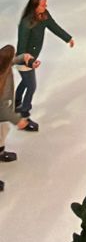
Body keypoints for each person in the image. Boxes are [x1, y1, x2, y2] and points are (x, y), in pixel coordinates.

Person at [15, 0, 75, 127]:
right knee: (31, 86)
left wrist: (68, 38)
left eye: (45, 3)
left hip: (32, 58)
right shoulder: (26, 23)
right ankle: (24, 114)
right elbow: (21, 48)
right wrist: (30, 62)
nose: (46, 6)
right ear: (35, 6)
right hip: (23, 60)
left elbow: (54, 27)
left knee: (25, 82)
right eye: (43, 4)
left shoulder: (44, 15)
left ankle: (16, 102)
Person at [0, 45, 33, 181]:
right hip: (2, 115)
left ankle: (1, 152)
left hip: (4, 117)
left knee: (3, 134)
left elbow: (13, 60)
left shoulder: (4, 65)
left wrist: (23, 58)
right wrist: (18, 121)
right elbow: (2, 109)